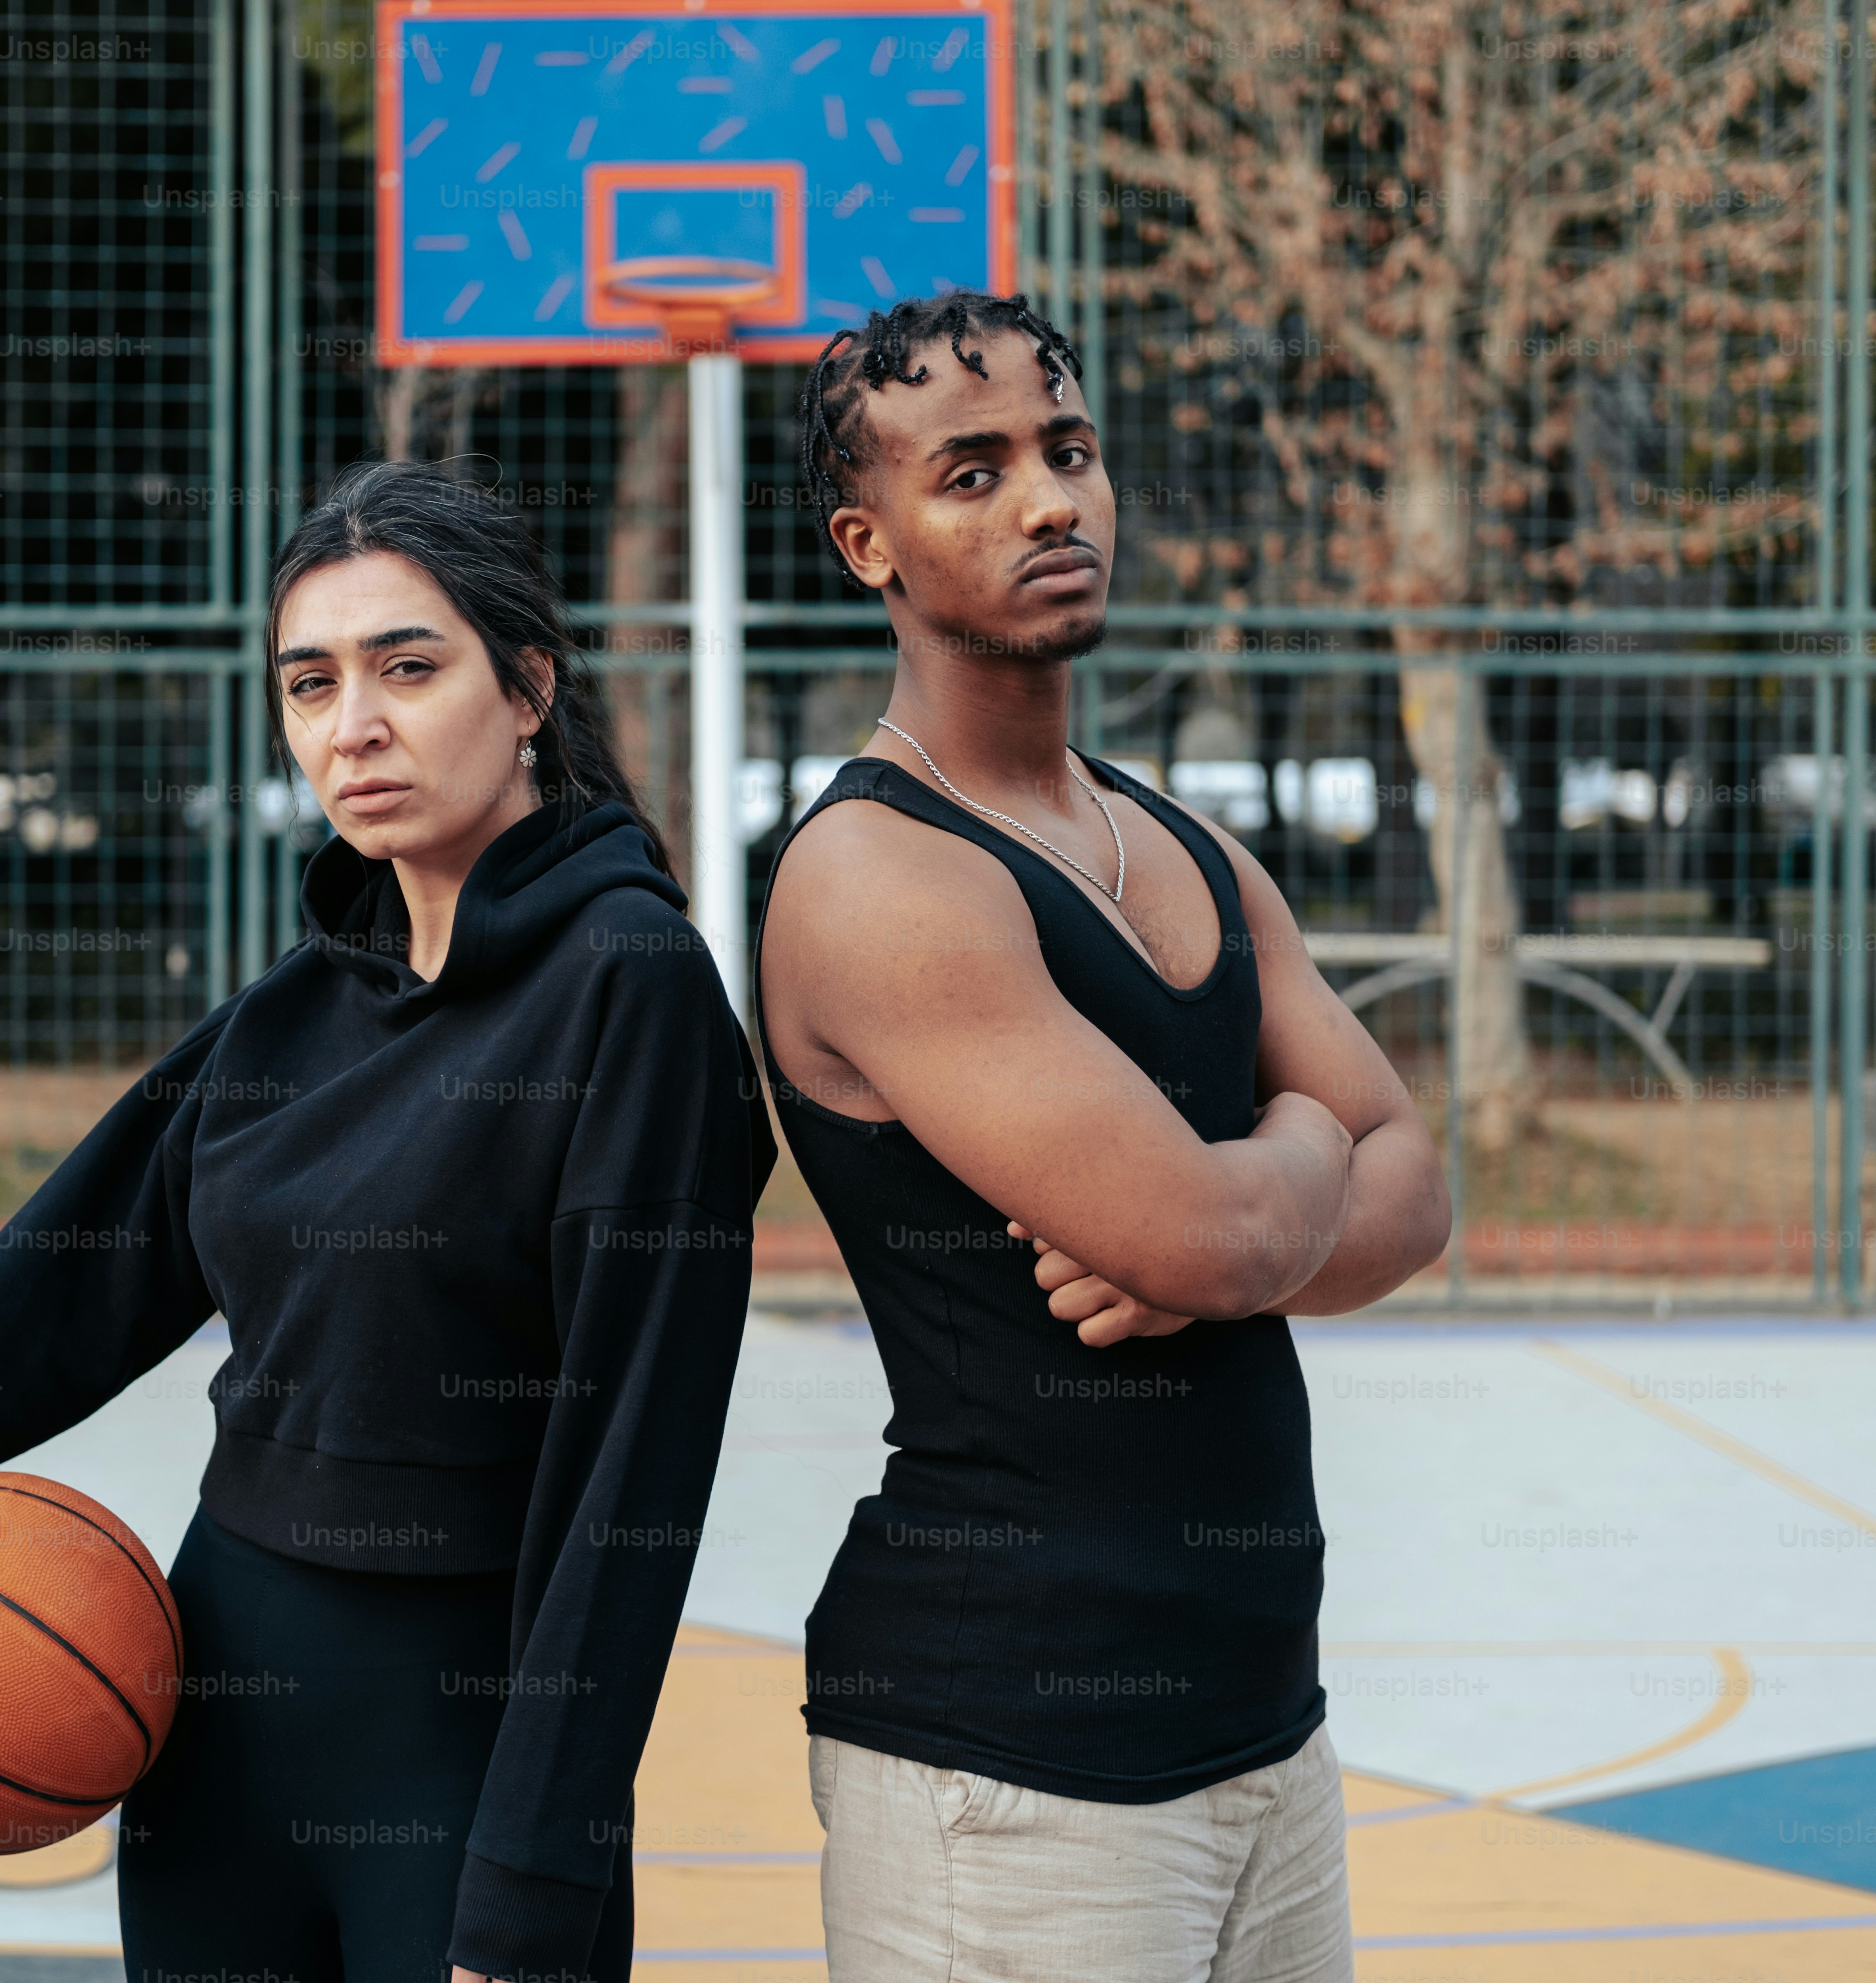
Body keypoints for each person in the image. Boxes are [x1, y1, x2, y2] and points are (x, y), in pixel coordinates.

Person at [0, 459, 776, 1983]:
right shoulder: (299, 1008)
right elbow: (63, 1277)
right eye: (310, 684)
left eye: (407, 668)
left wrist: (544, 1859)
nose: (352, 725)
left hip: (463, 1756)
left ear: (530, 684)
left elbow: (634, 1472)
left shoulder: (631, 986)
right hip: (212, 1721)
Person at [757, 292, 1451, 1981]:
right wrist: (1277, 1179)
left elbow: (1419, 1186)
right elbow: (1232, 1233)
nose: (1050, 502)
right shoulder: (876, 877)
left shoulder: (1184, 846)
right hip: (1010, 1765)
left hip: (1267, 1735)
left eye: (1068, 452)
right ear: (872, 545)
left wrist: (1226, 1218)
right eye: (973, 473)